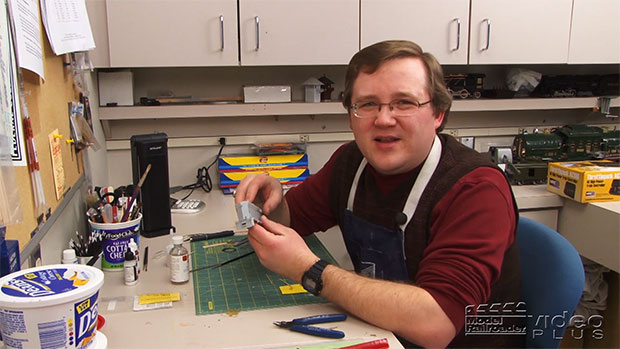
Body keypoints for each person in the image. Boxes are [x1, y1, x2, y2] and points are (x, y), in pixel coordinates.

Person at [234, 40, 523, 348]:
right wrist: (271, 201)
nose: (384, 119)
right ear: (350, 116)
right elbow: (289, 222)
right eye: (368, 104)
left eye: (404, 102)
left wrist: (309, 270)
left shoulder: (476, 189)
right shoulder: (351, 162)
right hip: (382, 332)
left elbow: (436, 324)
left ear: (437, 113)